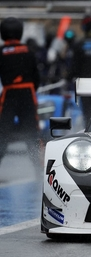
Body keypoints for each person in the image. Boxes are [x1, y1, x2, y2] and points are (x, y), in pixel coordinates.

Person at [0, 17, 41, 168]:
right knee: (32, 131)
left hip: (9, 94)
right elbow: (36, 77)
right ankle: (39, 169)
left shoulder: (2, 52)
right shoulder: (29, 50)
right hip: (27, 94)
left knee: (2, 132)